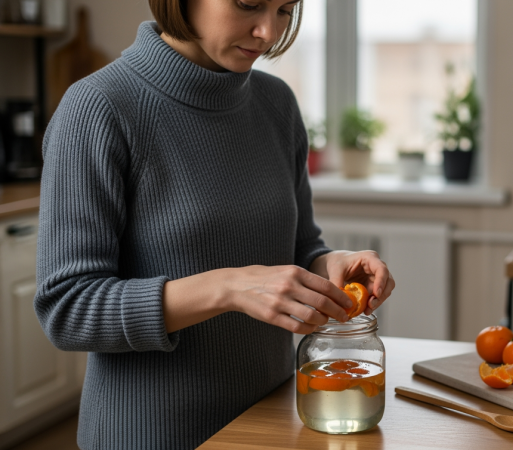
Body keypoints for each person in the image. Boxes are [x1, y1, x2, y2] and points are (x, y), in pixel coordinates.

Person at [34, 1, 395, 448]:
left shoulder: (276, 103)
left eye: (284, 9)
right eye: (248, 4)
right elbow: (67, 308)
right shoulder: (97, 107)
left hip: (273, 423)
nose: (268, 32)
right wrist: (227, 288)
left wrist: (330, 264)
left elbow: (300, 249)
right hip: (154, 435)